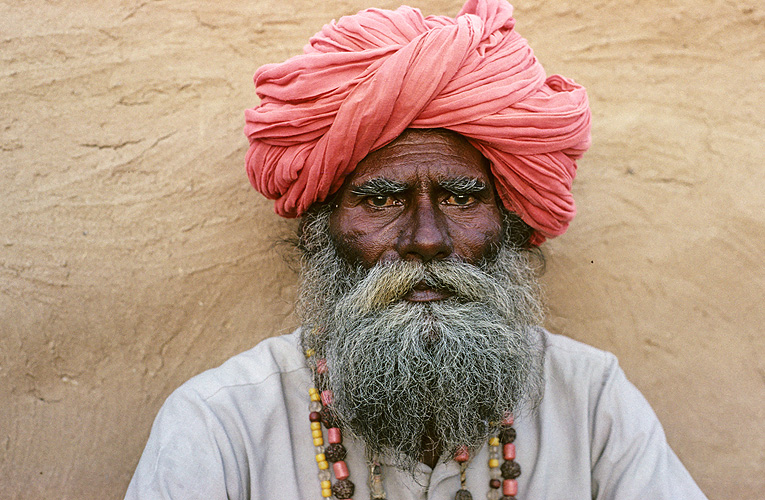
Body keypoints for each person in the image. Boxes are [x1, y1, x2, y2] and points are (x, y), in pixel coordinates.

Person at [126, 1, 708, 498]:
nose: (426, 238)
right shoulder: (219, 425)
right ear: (320, 230)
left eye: (461, 198)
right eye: (380, 202)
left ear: (507, 222)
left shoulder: (589, 401)